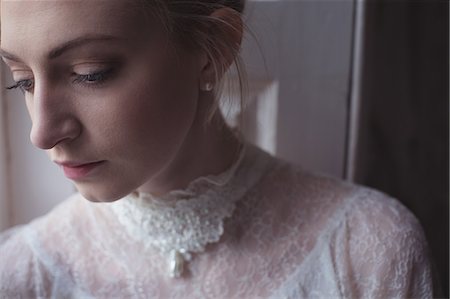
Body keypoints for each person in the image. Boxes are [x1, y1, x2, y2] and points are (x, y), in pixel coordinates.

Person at [0, 0, 434, 298]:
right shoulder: (22, 274)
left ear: (214, 50)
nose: (42, 132)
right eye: (22, 79)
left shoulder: (367, 250)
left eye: (89, 72)